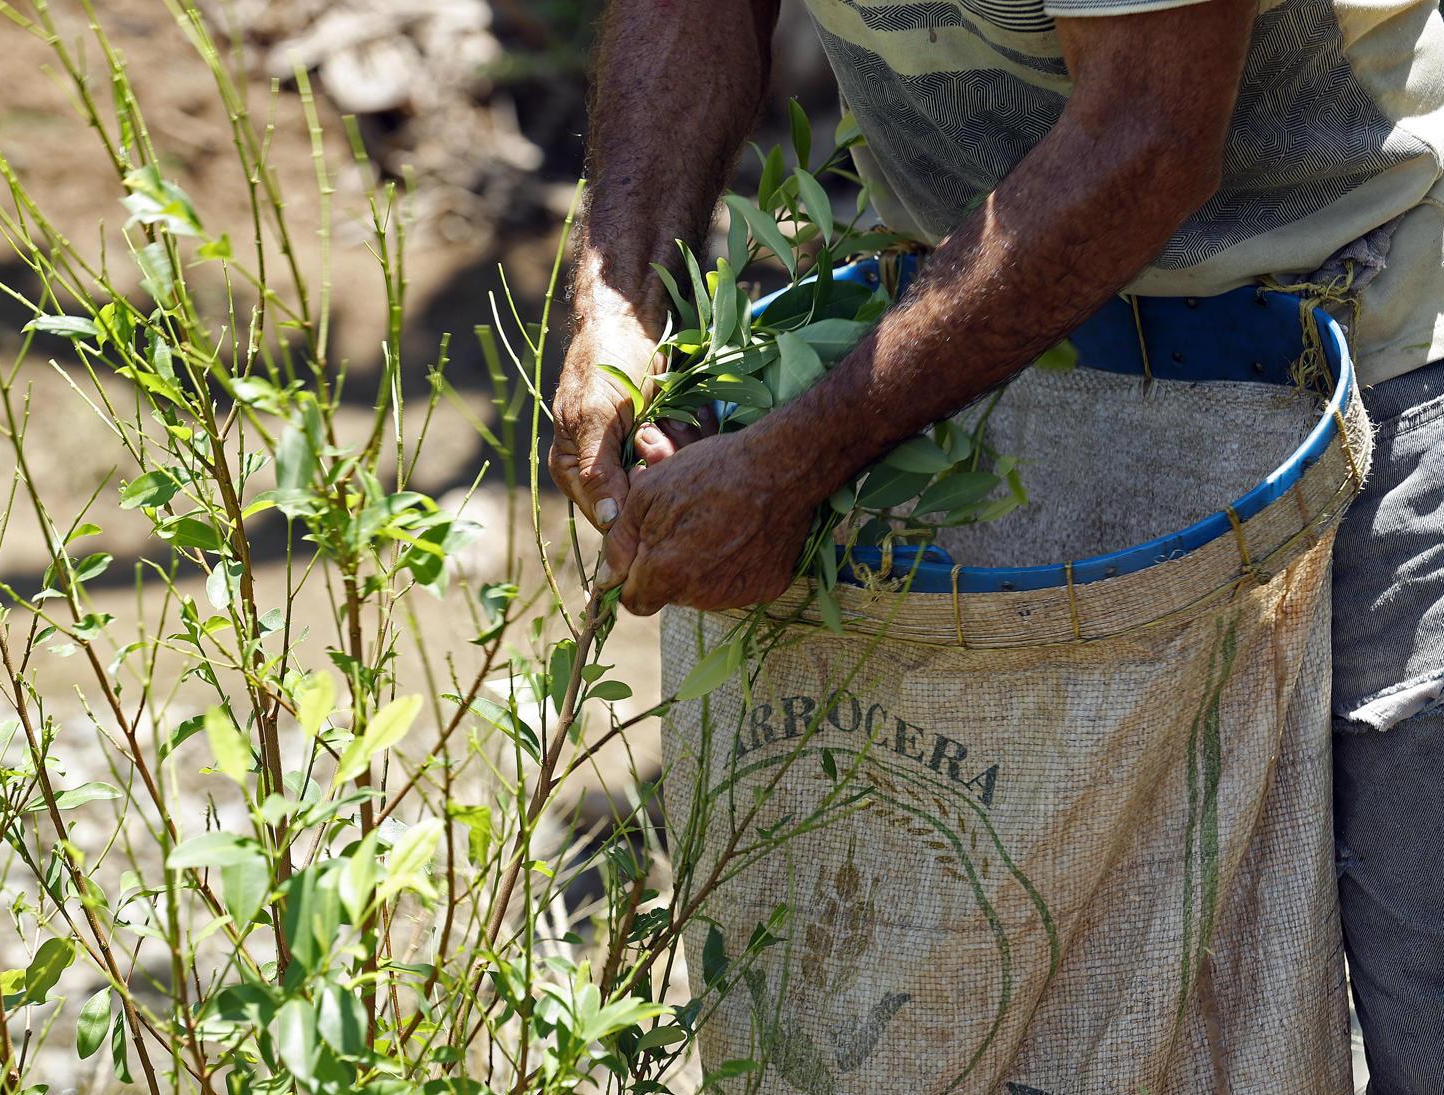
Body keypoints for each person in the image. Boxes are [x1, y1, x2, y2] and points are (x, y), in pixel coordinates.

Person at [550, 0, 1444, 1088]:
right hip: (986, 356)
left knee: (1423, 967)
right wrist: (621, 294)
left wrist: (801, 459)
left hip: (1368, 313)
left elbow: (1148, 133)